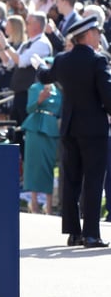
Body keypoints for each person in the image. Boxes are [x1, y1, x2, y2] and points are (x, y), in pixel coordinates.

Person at [34, 16, 111, 248]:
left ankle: (73, 232)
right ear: (87, 35)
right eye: (96, 32)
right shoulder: (98, 61)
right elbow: (107, 96)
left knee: (72, 180)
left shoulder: (63, 60)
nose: (99, 36)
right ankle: (90, 234)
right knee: (93, 180)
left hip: (70, 128)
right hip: (94, 129)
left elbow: (45, 76)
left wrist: (39, 66)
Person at [21, 80, 61, 214]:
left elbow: (61, 111)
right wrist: (40, 99)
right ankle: (34, 203)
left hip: (52, 128)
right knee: (34, 164)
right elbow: (29, 108)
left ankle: (49, 204)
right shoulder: (35, 87)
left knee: (48, 165)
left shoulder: (59, 89)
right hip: (35, 127)